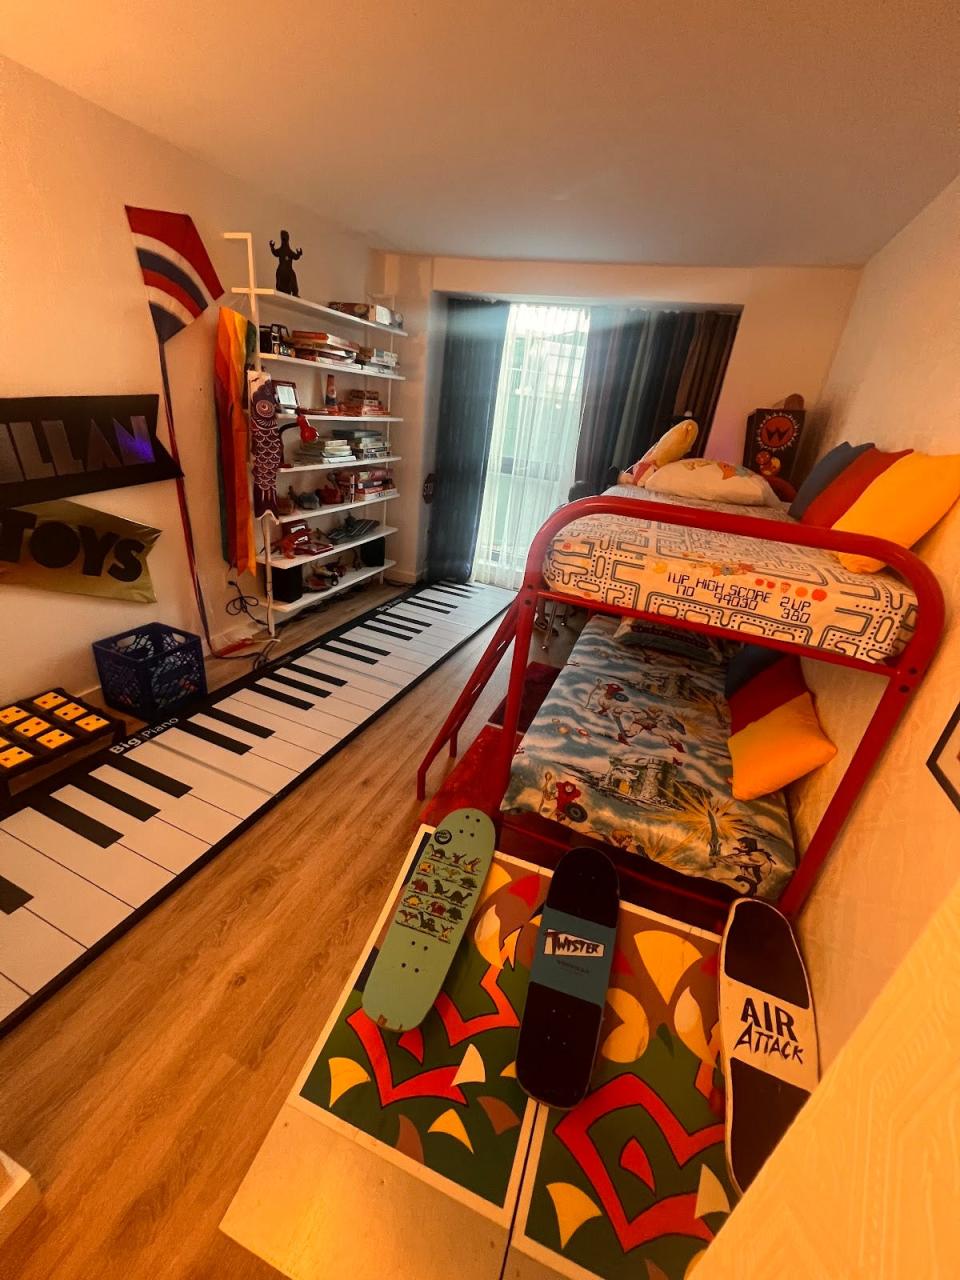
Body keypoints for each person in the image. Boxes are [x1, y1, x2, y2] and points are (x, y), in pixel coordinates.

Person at [270, 230, 303, 296]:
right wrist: (272, 247)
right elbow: (275, 253)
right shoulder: (285, 250)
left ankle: (294, 293)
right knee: (290, 277)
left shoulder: (286, 251)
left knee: (291, 277)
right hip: (285, 269)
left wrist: (299, 254)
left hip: (285, 269)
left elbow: (295, 257)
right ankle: (293, 293)